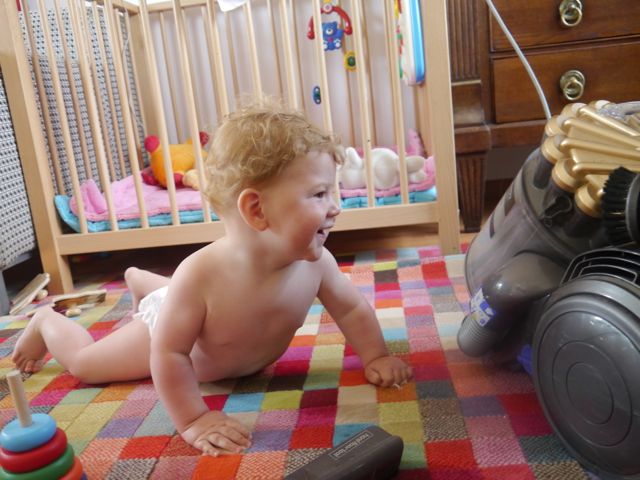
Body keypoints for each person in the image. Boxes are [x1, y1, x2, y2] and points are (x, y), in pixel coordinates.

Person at [11, 103, 413, 456]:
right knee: (86, 365)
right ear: (257, 210)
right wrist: (193, 418)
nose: (336, 207)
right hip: (163, 329)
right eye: (320, 194)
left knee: (183, 304)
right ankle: (47, 323)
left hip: (199, 318)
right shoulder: (200, 275)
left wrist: (376, 355)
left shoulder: (317, 263)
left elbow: (352, 308)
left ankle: (142, 280)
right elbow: (169, 354)